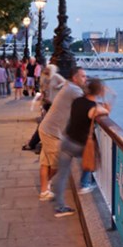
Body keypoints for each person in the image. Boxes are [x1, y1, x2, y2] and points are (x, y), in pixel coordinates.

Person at [54, 78, 112, 218]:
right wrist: (105, 99)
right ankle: (85, 183)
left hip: (67, 140)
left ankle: (60, 206)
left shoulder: (77, 101)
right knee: (95, 154)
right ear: (98, 91)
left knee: (62, 175)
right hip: (79, 145)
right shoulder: (94, 108)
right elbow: (105, 111)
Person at [38, 66, 87, 201]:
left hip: (47, 128)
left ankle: (44, 190)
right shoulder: (74, 90)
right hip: (52, 132)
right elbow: (87, 103)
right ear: (75, 78)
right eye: (83, 76)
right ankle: (45, 188)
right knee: (56, 164)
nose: (86, 78)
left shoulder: (69, 86)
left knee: (46, 162)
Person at [21, 64, 65, 151]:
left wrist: (57, 87)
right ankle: (34, 143)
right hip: (47, 104)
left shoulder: (56, 77)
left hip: (53, 104)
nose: (46, 70)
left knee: (43, 125)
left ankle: (32, 143)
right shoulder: (45, 78)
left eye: (48, 69)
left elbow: (65, 83)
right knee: (44, 125)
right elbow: (43, 90)